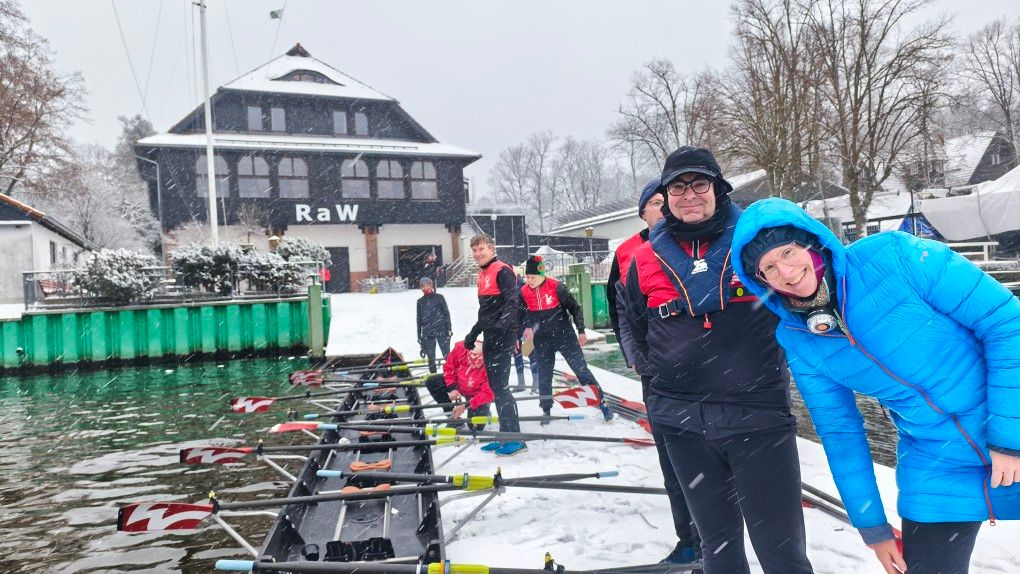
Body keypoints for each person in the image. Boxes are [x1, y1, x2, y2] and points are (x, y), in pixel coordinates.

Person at [731, 197, 1020, 574]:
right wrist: (872, 527)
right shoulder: (799, 340)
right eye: (768, 267)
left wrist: (1008, 438)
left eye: (788, 251)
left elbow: (1005, 323)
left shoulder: (896, 256)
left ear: (813, 242)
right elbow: (839, 432)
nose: (786, 272)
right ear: (760, 281)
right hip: (936, 459)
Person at [622, 146, 814, 574]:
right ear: (666, 196)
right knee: (719, 552)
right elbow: (635, 322)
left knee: (782, 553)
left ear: (718, 189)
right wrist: (652, 375)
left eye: (699, 184)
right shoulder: (643, 260)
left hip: (758, 420)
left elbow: (805, 292)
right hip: (684, 426)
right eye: (677, 187)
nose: (689, 195)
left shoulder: (755, 243)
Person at [609, 178, 700, 565]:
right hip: (656, 369)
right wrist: (637, 357)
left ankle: (716, 538)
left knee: (708, 455)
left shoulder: (695, 243)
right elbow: (621, 312)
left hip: (701, 366)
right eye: (657, 203)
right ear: (643, 211)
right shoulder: (628, 252)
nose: (665, 209)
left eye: (669, 201)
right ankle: (690, 539)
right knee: (673, 457)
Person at [518, 254, 613, 423]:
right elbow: (521, 313)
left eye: (532, 277)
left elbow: (575, 309)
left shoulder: (557, 287)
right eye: (527, 277)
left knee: (581, 370)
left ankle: (602, 402)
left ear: (541, 275)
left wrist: (581, 330)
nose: (529, 280)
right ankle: (546, 410)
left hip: (564, 335)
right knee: (545, 375)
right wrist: (525, 327)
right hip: (542, 339)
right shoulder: (524, 292)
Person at [464, 233, 525, 457]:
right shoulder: (482, 275)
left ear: (492, 249)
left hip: (503, 335)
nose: (478, 254)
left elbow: (513, 302)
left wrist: (502, 327)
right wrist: (474, 332)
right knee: (496, 387)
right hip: (491, 334)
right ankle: (504, 436)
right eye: (474, 251)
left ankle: (515, 439)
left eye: (482, 249)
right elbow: (486, 313)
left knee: (501, 388)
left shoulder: (502, 270)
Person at [424, 339, 494, 431]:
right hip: (459, 383)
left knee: (475, 427)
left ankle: (485, 410)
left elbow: (487, 393)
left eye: (477, 364)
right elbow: (449, 369)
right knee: (432, 381)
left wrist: (465, 406)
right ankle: (452, 416)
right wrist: (452, 388)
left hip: (476, 393)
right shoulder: (461, 348)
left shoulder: (491, 365)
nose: (473, 366)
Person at [513, 272, 542, 393]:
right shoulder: (506, 287)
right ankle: (521, 383)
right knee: (516, 352)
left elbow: (531, 308)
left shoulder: (525, 287)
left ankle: (536, 383)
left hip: (528, 326)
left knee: (531, 353)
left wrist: (529, 326)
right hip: (515, 326)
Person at [416, 277, 452, 374]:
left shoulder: (439, 297)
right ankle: (434, 375)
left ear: (431, 285)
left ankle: (451, 374)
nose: (425, 287)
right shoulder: (420, 301)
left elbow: (446, 314)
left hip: (442, 330)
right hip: (427, 332)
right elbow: (419, 320)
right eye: (423, 286)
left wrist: (449, 329)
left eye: (427, 285)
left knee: (447, 355)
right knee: (431, 357)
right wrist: (419, 335)